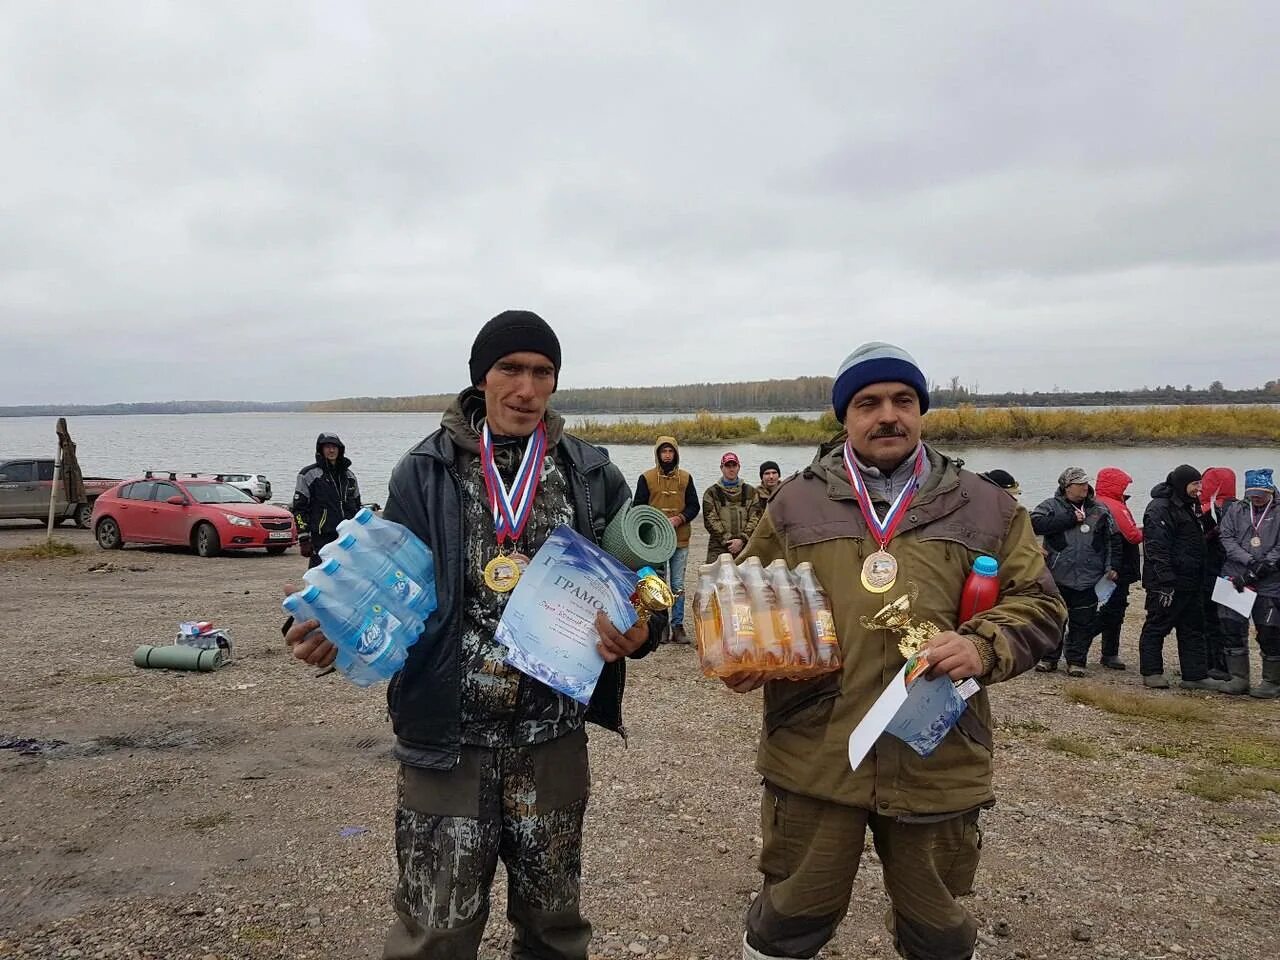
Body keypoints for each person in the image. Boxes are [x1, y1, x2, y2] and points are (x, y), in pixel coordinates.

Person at [284, 310, 664, 959]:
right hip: (448, 740)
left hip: (553, 741)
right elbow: (374, 571)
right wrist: (319, 622)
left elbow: (645, 583)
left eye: (542, 372)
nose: (525, 388)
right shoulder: (423, 471)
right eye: (510, 370)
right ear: (480, 379)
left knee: (554, 931)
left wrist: (640, 628)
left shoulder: (591, 473)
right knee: (436, 931)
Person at [724, 341, 1065, 960]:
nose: (888, 415)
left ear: (921, 410)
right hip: (816, 750)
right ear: (844, 418)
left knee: (937, 930)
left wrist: (982, 646)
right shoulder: (794, 502)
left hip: (938, 753)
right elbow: (747, 596)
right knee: (789, 920)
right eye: (868, 403)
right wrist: (745, 653)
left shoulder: (988, 504)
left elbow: (1042, 607)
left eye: (903, 400)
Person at [1136, 465, 1227, 691]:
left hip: (1192, 580)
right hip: (1167, 582)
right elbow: (1156, 547)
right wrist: (1165, 580)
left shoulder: (1190, 507)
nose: (1199, 489)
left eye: (1200, 484)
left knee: (1193, 627)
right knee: (1157, 625)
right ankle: (1152, 672)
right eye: (1195, 484)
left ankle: (1194, 675)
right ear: (1182, 484)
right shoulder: (1159, 508)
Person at [1030, 468, 1122, 676]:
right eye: (1079, 483)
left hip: (1090, 576)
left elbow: (1113, 539)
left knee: (1084, 621)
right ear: (1066, 487)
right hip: (1057, 574)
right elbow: (1034, 524)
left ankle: (1077, 661)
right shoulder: (1050, 506)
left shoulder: (1100, 509)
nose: (1084, 487)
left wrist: (1112, 566)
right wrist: (1069, 519)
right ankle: (1049, 658)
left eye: (1086, 483)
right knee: (1054, 618)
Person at [1217, 468, 1280, 698]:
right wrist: (1249, 561)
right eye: (1252, 494)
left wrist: (1264, 565)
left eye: (1260, 494)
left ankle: (1272, 681)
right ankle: (1239, 678)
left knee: (1270, 630)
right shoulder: (1236, 508)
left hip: (1271, 580)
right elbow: (1226, 537)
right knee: (1231, 627)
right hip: (1236, 576)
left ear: (1270, 491)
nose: (1255, 498)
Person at [633, 436, 699, 643]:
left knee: (678, 584)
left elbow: (694, 506)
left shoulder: (686, 478)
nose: (667, 455)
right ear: (658, 454)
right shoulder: (646, 478)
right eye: (664, 452)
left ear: (676, 454)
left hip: (680, 539)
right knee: (658, 583)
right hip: (656, 542)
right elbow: (638, 507)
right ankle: (660, 626)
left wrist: (680, 518)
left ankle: (678, 626)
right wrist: (651, 525)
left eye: (671, 452)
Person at [1091, 467, 1143, 670]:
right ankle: (1102, 649)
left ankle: (1107, 652)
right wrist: (1148, 530)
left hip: (1101, 564)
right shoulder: (1114, 505)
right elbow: (1133, 535)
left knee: (1105, 607)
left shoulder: (1095, 502)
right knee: (1114, 609)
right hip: (1118, 566)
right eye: (1124, 485)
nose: (1126, 488)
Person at [291, 432, 362, 568]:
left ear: (340, 449)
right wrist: (304, 538)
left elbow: (358, 506)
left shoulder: (349, 476)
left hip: (347, 535)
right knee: (321, 572)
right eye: (327, 447)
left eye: (335, 447)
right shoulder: (308, 475)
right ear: (320, 450)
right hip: (322, 535)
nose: (331, 450)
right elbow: (299, 509)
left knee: (348, 571)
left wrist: (361, 531)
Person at [1198, 468, 1238, 680]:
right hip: (1234, 572)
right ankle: (1230, 666)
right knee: (1230, 621)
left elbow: (1199, 541)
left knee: (1209, 619)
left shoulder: (1206, 510)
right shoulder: (1241, 509)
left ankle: (1213, 664)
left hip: (1210, 571)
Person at [702, 451, 762, 561]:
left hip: (746, 545)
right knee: (713, 577)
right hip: (719, 546)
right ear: (721, 468)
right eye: (727, 466)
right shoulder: (711, 493)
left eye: (734, 465)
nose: (731, 469)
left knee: (749, 576)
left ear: (739, 467)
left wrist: (742, 540)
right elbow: (710, 520)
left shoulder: (751, 491)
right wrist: (728, 541)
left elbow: (756, 518)